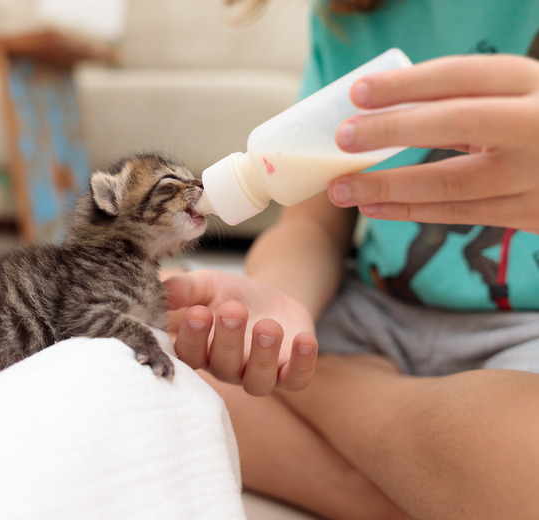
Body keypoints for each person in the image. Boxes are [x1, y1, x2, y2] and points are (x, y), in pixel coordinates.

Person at [164, 0, 539, 518]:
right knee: (156, 341)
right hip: (372, 312)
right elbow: (313, 223)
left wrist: (314, 380)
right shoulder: (347, 14)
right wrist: (274, 299)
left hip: (526, 334)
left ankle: (338, 397)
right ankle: (436, 483)